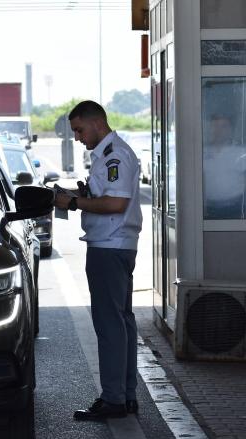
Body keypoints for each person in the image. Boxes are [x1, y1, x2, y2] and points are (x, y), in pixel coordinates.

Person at [53, 100, 143, 421]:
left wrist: (74, 202)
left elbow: (117, 202)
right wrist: (81, 195)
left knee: (109, 324)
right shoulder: (107, 155)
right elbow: (108, 195)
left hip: (109, 246)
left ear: (96, 124)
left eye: (79, 129)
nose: (77, 137)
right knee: (122, 321)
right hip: (116, 244)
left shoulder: (114, 154)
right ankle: (125, 395)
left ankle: (114, 399)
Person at [202, 113, 246, 219]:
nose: (219, 130)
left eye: (223, 126)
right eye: (215, 126)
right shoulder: (203, 151)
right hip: (209, 209)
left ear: (230, 130)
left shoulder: (241, 151)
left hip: (235, 208)